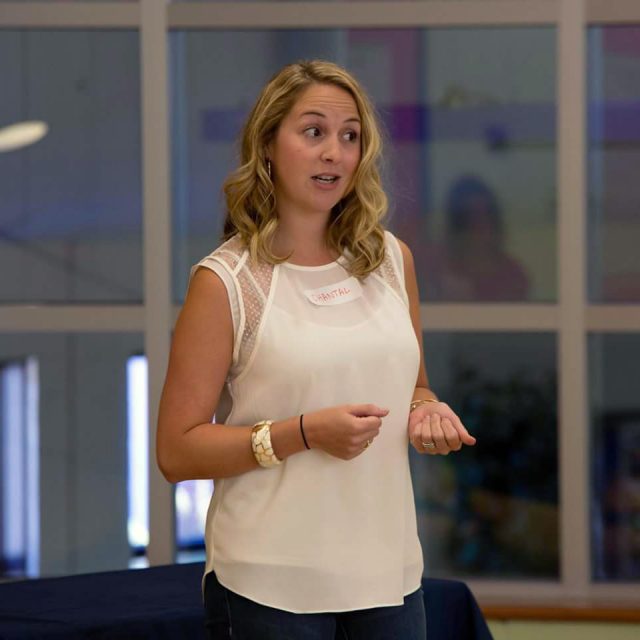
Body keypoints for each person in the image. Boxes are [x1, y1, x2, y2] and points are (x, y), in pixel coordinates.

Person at [156, 59, 476, 640]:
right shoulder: (225, 282)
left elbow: (416, 386)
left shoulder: (391, 261)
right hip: (268, 587)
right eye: (313, 132)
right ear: (268, 145)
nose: (335, 152)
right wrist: (301, 434)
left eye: (350, 136)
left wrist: (427, 410)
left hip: (390, 576)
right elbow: (177, 452)